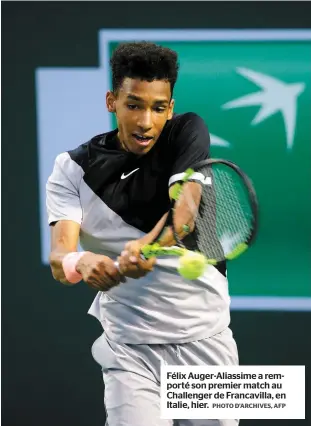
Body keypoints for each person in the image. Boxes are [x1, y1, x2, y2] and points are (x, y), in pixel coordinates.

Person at [47, 41, 239, 426]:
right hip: (129, 350)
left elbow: (184, 212)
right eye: (133, 105)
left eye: (157, 107)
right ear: (111, 101)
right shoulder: (72, 168)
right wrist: (81, 261)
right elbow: (59, 258)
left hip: (205, 341)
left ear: (170, 107)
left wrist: (149, 245)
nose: (146, 122)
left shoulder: (187, 131)